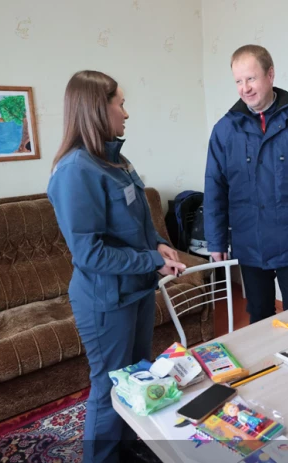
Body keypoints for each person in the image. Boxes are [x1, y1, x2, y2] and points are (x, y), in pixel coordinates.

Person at [47, 70, 185, 463]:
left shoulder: (115, 159)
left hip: (136, 289)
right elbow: (88, 253)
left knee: (135, 378)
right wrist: (152, 260)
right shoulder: (75, 170)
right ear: (97, 108)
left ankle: (127, 449)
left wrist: (158, 242)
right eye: (120, 103)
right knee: (109, 389)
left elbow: (138, 221)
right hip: (105, 299)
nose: (126, 113)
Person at [204, 45, 288, 323]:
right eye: (238, 81)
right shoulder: (225, 130)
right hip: (250, 245)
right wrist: (215, 239)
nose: (245, 88)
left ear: (270, 74)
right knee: (260, 320)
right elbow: (215, 188)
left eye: (251, 79)